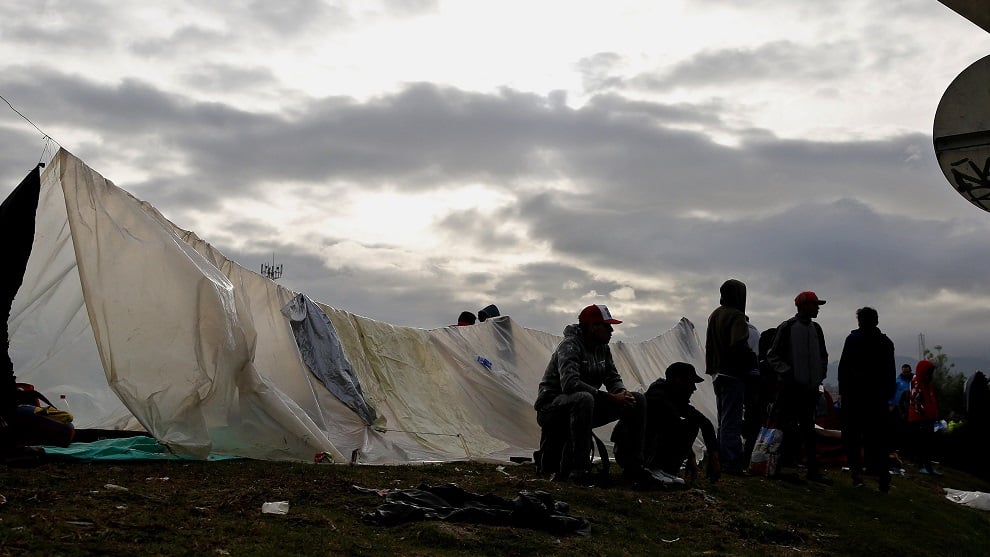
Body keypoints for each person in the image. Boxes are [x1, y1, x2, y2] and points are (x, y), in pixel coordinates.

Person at [534, 304, 649, 485]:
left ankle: (634, 467)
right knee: (584, 398)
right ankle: (580, 469)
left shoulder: (603, 348)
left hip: (585, 406)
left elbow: (613, 378)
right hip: (552, 408)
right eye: (607, 326)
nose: (611, 330)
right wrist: (611, 398)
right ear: (593, 326)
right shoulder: (569, 346)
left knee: (638, 400)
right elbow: (570, 385)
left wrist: (622, 393)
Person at [767, 291, 832, 485]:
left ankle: (812, 471)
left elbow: (823, 355)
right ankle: (777, 467)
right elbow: (772, 355)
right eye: (814, 304)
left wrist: (821, 374)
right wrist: (787, 374)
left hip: (810, 389)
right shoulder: (787, 327)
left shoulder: (816, 329)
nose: (818, 308)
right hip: (791, 390)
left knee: (808, 430)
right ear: (803, 306)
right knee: (785, 429)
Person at [837, 307, 896, 492]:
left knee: (853, 438)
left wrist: (844, 393)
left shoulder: (853, 340)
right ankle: (883, 477)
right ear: (876, 321)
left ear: (859, 321)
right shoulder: (886, 343)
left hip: (854, 398)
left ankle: (857, 476)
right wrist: (887, 396)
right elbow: (890, 373)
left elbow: (843, 368)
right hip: (877, 399)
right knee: (878, 440)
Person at [705, 279, 758, 475]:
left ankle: (720, 459)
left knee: (723, 419)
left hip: (717, 373)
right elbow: (738, 345)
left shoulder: (715, 315)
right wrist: (751, 362)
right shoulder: (737, 316)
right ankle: (731, 463)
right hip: (734, 374)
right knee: (732, 421)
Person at [643, 362, 720, 482]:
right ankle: (652, 468)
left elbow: (705, 423)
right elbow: (673, 426)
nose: (694, 388)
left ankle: (667, 471)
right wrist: (691, 456)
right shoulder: (657, 398)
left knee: (692, 423)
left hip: (647, 448)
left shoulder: (676, 398)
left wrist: (713, 457)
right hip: (633, 452)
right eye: (691, 383)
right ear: (679, 381)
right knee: (678, 426)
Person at [909, 359, 942, 476]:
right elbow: (916, 402)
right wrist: (926, 415)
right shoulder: (917, 383)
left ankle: (928, 466)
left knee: (928, 444)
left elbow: (931, 400)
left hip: (929, 419)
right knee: (922, 443)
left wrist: (934, 415)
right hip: (920, 419)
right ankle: (921, 465)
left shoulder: (928, 384)